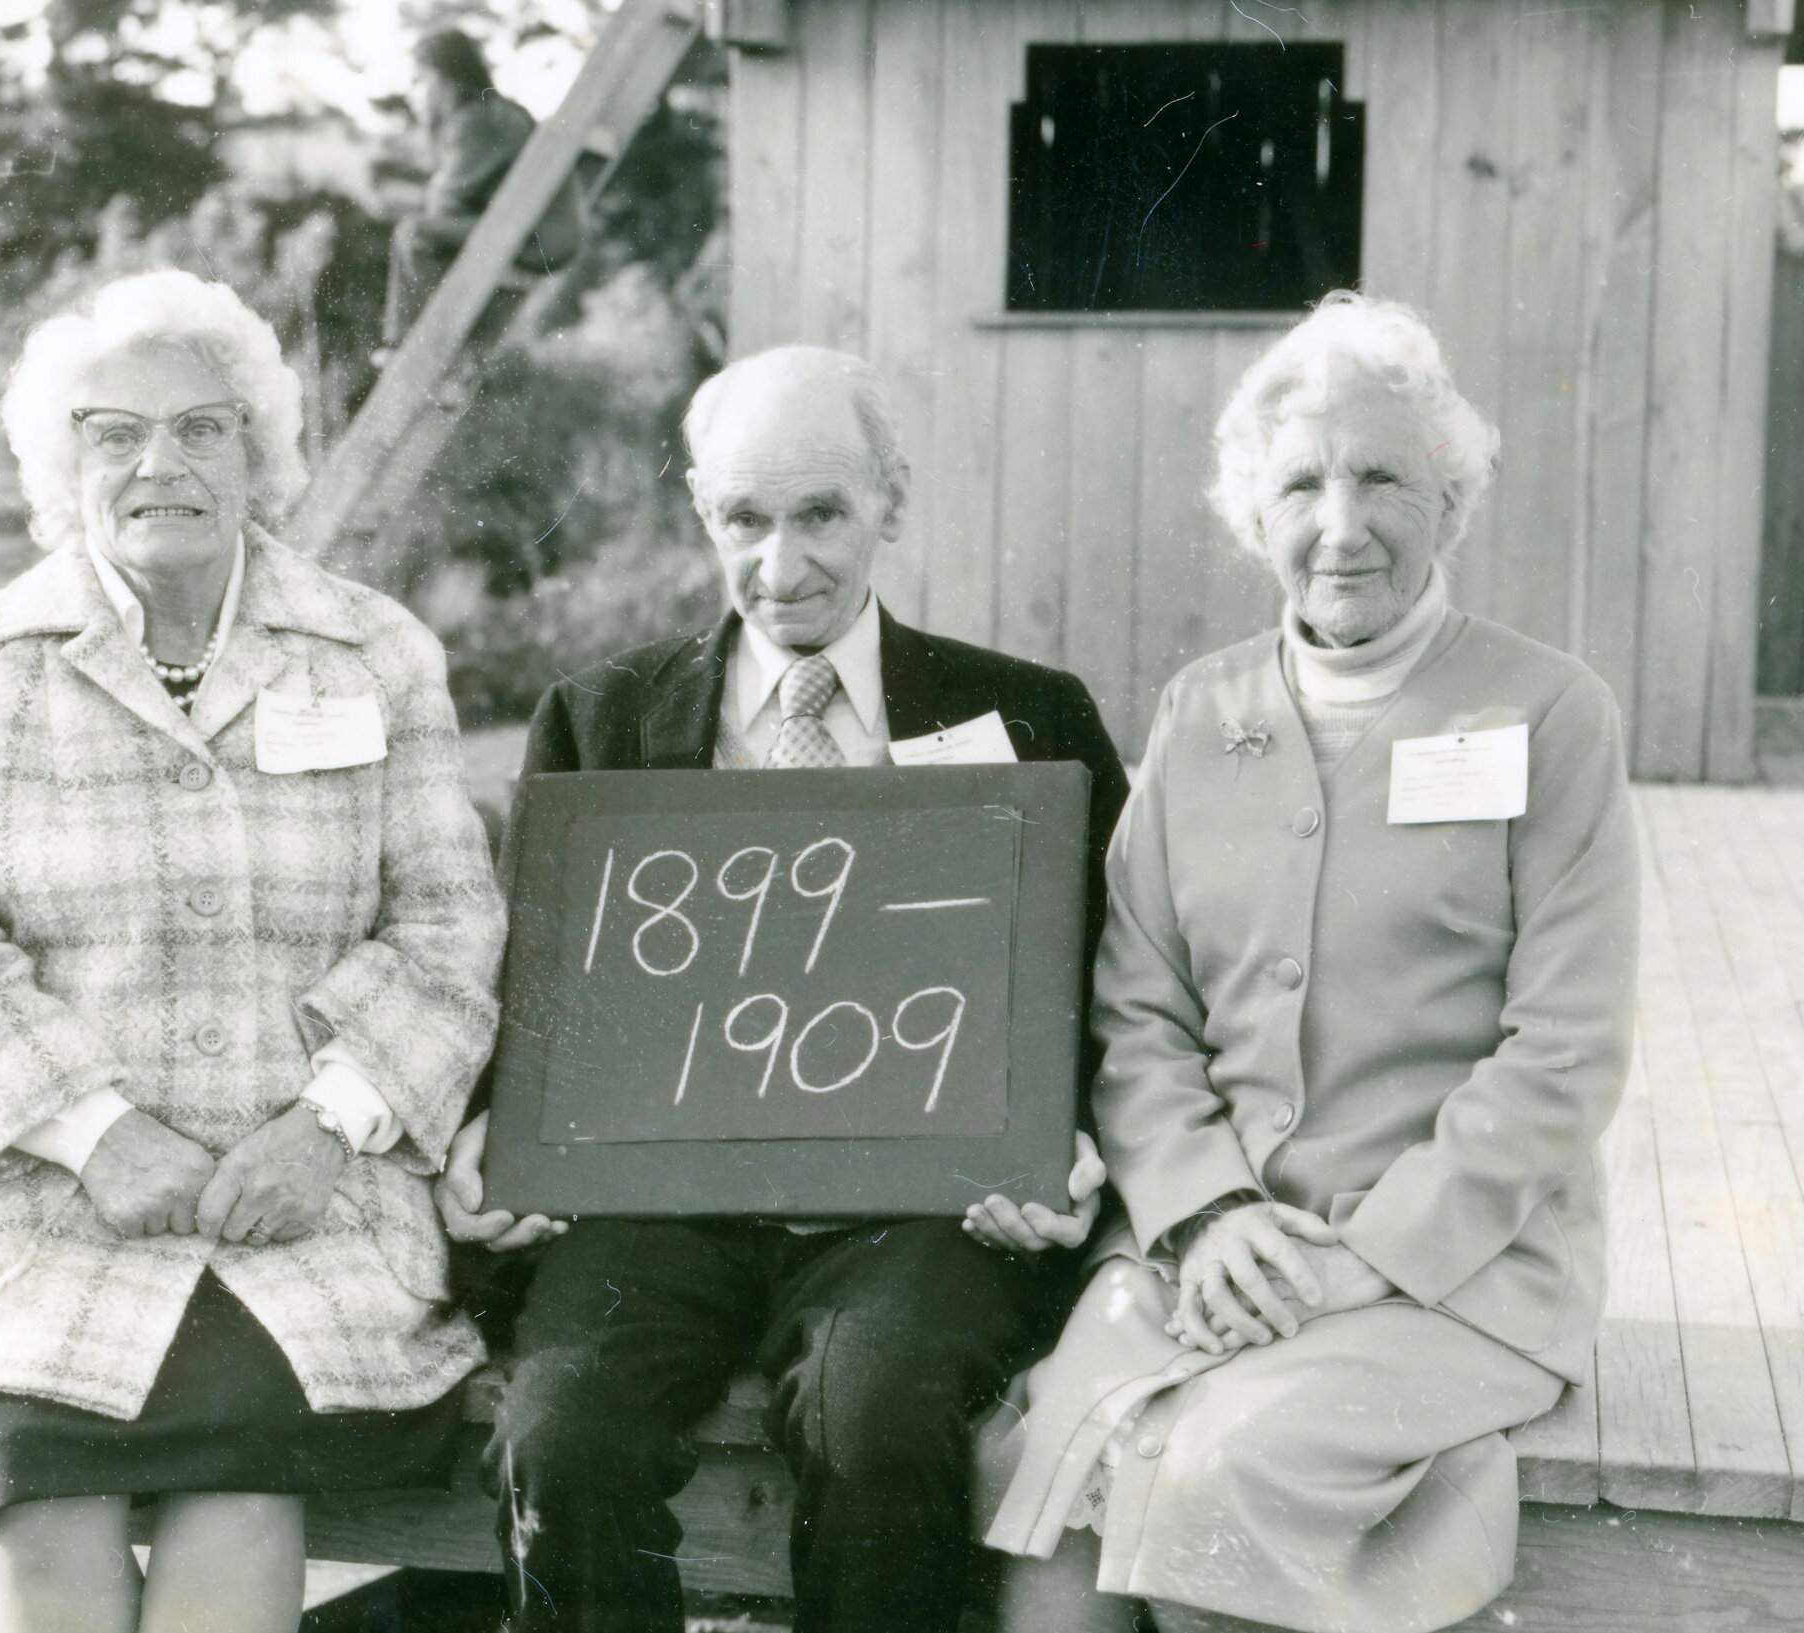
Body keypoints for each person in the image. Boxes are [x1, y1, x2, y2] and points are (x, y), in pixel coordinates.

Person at [435, 344, 1132, 1633]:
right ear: (702, 512)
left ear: (890, 501)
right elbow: (529, 991)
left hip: (921, 1210)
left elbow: (1104, 987)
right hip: (662, 1205)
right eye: (743, 519)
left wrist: (1069, 1149)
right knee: (561, 1432)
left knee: (882, 1416)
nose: (782, 562)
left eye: (821, 512)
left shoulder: (1029, 717)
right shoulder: (601, 722)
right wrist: (489, 1128)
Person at [0, 269, 505, 1633]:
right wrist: (94, 1134)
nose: (163, 463)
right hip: (38, 1219)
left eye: (204, 428)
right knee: (42, 1482)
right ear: (62, 464)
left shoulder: (373, 654)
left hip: (303, 1215)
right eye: (116, 433)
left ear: (258, 457)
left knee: (242, 1479)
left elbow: (450, 922)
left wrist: (329, 1126)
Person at [979, 292, 1641, 1633]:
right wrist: (1207, 1212)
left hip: (1459, 1266)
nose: (1342, 525)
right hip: (1209, 1250)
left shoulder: (1550, 711)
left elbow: (1564, 1054)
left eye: (1385, 477)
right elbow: (1140, 1007)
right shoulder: (1200, 707)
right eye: (1302, 485)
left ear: (1453, 502)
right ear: (1254, 515)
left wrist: (1371, 1256)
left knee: (1221, 1474)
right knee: (1064, 1460)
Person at [380, 30, 579, 352]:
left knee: (414, 234)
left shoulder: (478, 120)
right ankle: (429, 345)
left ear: (448, 79)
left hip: (536, 238)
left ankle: (416, 345)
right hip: (537, 231)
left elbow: (444, 203)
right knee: (426, 234)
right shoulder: (491, 112)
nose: (411, 96)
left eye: (418, 81)